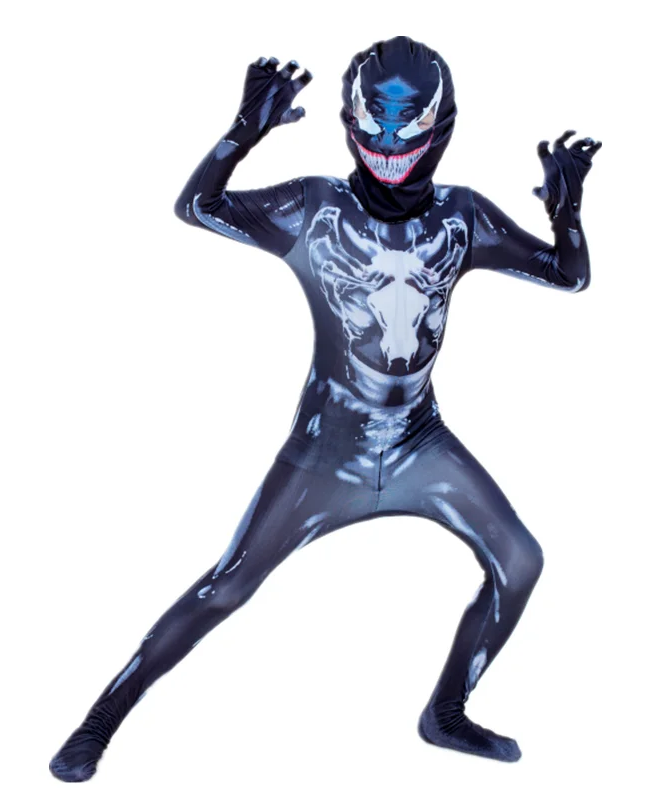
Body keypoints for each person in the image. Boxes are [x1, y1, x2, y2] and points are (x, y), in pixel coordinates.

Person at [49, 35, 601, 781]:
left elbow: (568, 277)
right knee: (227, 585)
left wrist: (570, 212)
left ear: (442, 127)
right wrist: (241, 133)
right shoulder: (314, 208)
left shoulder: (462, 217)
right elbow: (198, 208)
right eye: (375, 125)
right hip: (325, 453)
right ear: (349, 121)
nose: (390, 145)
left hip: (420, 444)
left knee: (521, 560)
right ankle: (97, 724)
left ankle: (445, 714)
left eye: (409, 127)